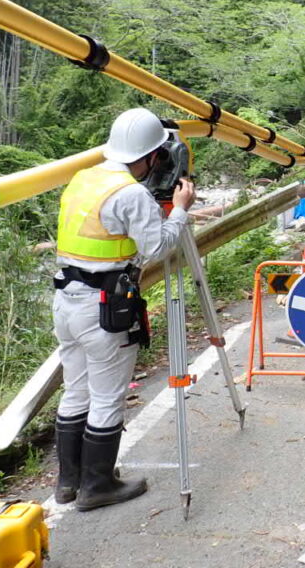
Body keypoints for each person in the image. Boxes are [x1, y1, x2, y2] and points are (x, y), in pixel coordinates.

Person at [53, 107, 195, 511]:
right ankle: (98, 486)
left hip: (67, 298)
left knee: (76, 388)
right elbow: (158, 248)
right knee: (107, 397)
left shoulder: (85, 178)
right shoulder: (132, 194)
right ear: (152, 155)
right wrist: (180, 208)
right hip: (104, 307)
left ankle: (69, 483)